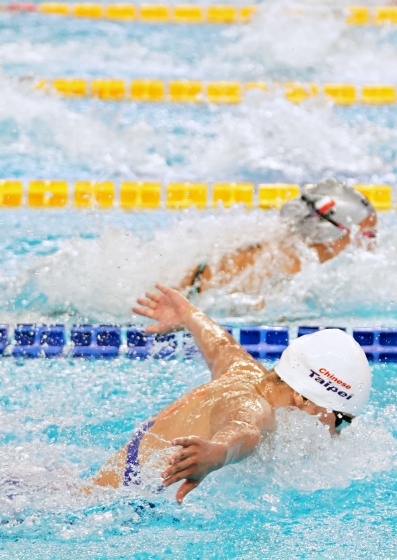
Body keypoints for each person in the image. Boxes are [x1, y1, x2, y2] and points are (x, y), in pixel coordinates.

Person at [90, 283, 372, 503]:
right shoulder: (255, 406)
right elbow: (244, 427)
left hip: (110, 490)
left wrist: (190, 316)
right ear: (303, 398)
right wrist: (219, 453)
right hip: (116, 508)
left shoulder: (247, 374)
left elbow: (222, 348)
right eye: (341, 419)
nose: (339, 432)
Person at [179, 178, 377, 296]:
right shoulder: (274, 263)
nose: (371, 245)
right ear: (331, 231)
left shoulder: (297, 259)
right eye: (367, 235)